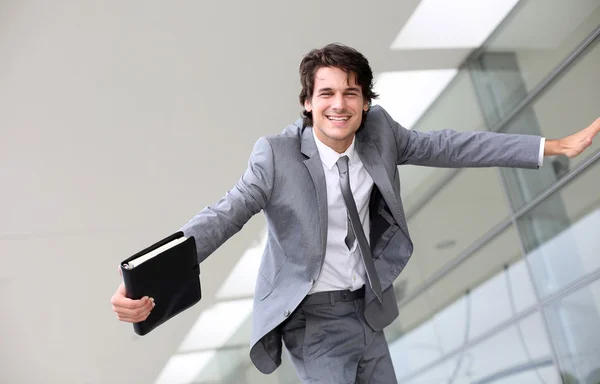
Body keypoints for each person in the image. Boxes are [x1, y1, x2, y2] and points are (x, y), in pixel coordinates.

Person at [111, 43, 600, 383]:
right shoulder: (276, 157)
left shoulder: (381, 132)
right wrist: (148, 278)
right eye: (326, 93)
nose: (339, 105)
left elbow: (452, 145)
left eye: (351, 93)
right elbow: (224, 214)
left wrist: (552, 145)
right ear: (307, 103)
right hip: (313, 323)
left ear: (366, 101)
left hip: (367, 311)